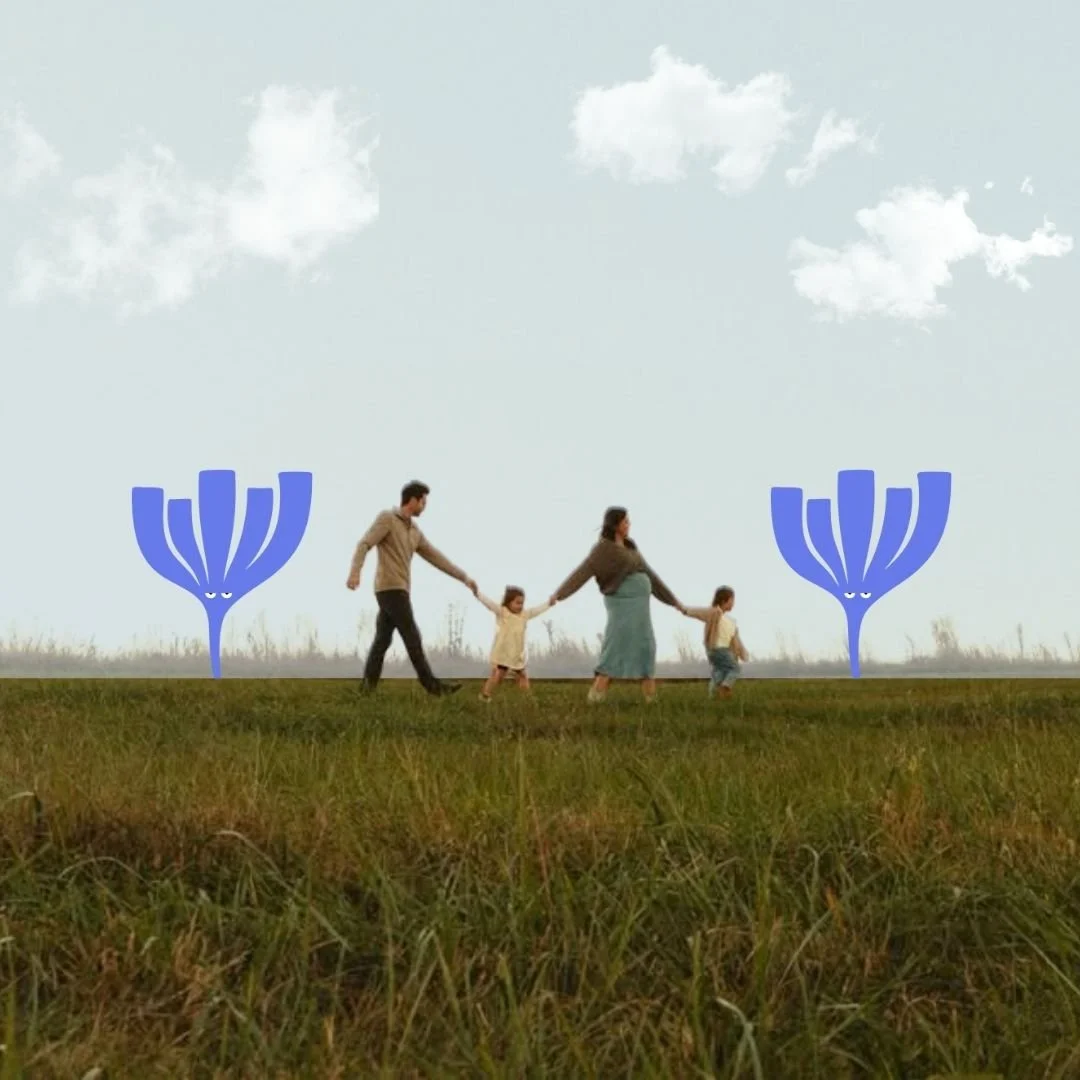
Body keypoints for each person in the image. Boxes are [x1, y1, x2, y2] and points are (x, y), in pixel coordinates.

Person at [346, 480, 477, 696]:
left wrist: (464, 577)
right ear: (413, 500)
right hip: (389, 588)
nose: (425, 507)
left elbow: (436, 557)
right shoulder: (387, 518)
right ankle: (433, 687)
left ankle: (366, 690)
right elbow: (364, 544)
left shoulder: (415, 531)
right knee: (412, 636)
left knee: (382, 641)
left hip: (401, 589)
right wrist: (355, 572)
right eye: (423, 502)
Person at [549, 506, 685, 704]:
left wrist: (673, 601)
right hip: (622, 606)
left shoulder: (630, 546)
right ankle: (595, 699)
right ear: (615, 524)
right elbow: (582, 572)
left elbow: (651, 575)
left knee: (646, 647)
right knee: (615, 649)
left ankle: (651, 701)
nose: (629, 525)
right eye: (626, 521)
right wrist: (559, 594)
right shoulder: (602, 549)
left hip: (640, 609)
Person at [473, 586, 554, 702]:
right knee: (497, 676)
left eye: (522, 603)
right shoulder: (503, 612)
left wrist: (549, 603)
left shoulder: (524, 615)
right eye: (517, 603)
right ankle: (485, 695)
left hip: (516, 654)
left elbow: (537, 610)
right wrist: (477, 593)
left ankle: (528, 697)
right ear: (509, 602)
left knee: (522, 675)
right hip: (503, 653)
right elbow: (489, 604)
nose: (520, 606)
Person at [684, 586, 749, 698]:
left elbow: (736, 640)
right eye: (732, 601)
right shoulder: (715, 612)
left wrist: (742, 653)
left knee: (719, 672)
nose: (733, 604)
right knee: (735, 668)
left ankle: (713, 695)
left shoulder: (730, 621)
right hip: (718, 649)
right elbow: (700, 612)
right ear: (724, 601)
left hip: (717, 651)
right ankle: (725, 687)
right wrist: (685, 610)